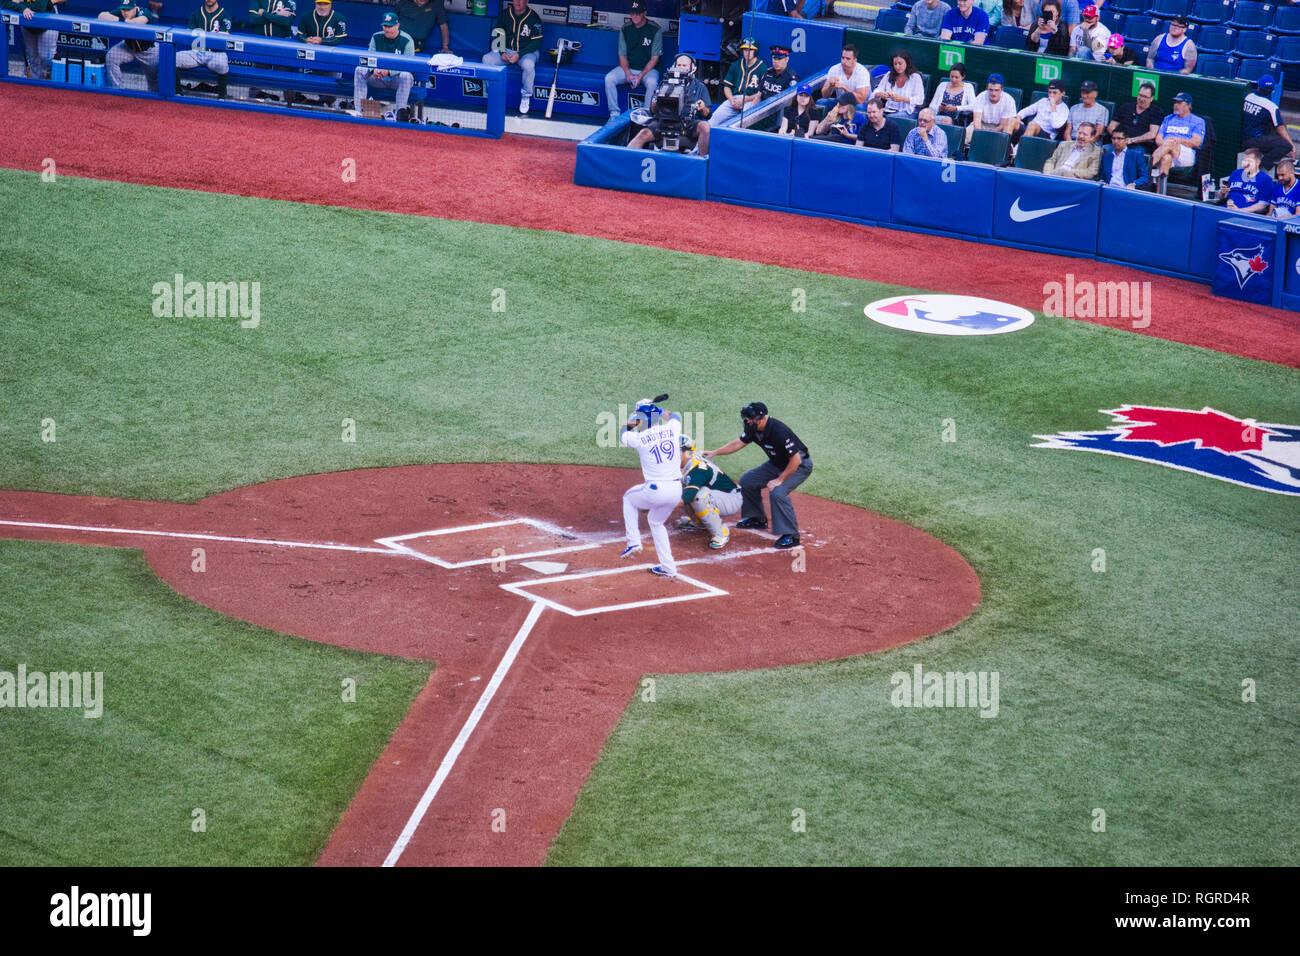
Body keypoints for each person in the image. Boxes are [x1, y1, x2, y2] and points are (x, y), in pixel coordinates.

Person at [703, 402, 812, 550]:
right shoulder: (752, 428)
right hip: (777, 464)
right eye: (746, 418)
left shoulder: (778, 431)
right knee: (747, 481)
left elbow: (796, 459)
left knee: (778, 493)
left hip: (798, 466)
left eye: (750, 418)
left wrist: (779, 480)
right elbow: (739, 443)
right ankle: (757, 518)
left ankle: (791, 535)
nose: (747, 421)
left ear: (761, 418)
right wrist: (715, 452)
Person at [618, 398, 683, 578]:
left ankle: (633, 542)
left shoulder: (638, 438)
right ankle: (668, 568)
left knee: (628, 499)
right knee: (656, 522)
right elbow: (675, 416)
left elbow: (623, 433)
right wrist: (657, 409)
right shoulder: (672, 429)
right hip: (676, 490)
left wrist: (633, 418)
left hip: (656, 490)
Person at [628, 53, 712, 156]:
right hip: (664, 122)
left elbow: (708, 114)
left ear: (692, 68)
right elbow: (652, 111)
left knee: (705, 126)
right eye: (679, 65)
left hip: (688, 124)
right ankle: (624, 161)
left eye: (684, 66)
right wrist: (654, 105)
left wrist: (703, 108)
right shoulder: (664, 83)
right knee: (643, 134)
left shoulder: (700, 87)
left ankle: (702, 163)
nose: (681, 68)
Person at [675, 434, 743, 550]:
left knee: (698, 497)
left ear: (685, 452)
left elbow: (688, 496)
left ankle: (721, 533)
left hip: (731, 499)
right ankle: (700, 523)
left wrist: (660, 506)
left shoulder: (698, 469)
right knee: (677, 490)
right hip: (716, 495)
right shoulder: (687, 462)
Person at [482, 0, 543, 115]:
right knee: (487, 59)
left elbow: (536, 43)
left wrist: (519, 54)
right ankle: (492, 94)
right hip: (507, 50)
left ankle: (525, 97)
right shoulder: (504, 14)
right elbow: (498, 35)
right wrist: (502, 52)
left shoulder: (534, 17)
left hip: (526, 52)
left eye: (521, 0)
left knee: (529, 65)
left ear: (527, 1)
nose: (518, 2)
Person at [350, 12, 414, 120]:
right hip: (378, 78)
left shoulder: (407, 40)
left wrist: (389, 72)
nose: (387, 29)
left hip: (396, 81)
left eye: (390, 26)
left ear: (397, 25)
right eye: (385, 26)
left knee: (406, 75)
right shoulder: (376, 37)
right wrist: (374, 70)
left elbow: (408, 65)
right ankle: (359, 112)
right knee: (360, 69)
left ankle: (399, 114)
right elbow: (369, 58)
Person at [604, 0, 661, 121]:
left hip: (649, 70)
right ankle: (614, 115)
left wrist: (640, 76)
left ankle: (646, 116)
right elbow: (622, 55)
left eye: (638, 13)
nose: (634, 16)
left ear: (644, 13)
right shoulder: (625, 28)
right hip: (629, 68)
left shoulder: (655, 29)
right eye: (633, 13)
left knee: (652, 83)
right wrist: (628, 73)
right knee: (609, 78)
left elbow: (654, 58)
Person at [175, 0, 232, 98]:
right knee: (173, 59)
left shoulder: (224, 15)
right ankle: (178, 93)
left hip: (215, 54)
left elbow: (226, 35)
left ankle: (222, 97)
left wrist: (216, 33)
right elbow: (189, 33)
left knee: (223, 64)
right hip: (196, 53)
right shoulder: (196, 13)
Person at [1151, 92, 1204, 193]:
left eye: (1179, 102)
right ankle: (1160, 194)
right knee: (1166, 158)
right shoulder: (1168, 118)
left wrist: (1178, 140)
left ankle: (1146, 169)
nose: (1175, 105)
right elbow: (1158, 139)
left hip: (1186, 154)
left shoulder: (1198, 121)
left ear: (1188, 105)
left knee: (1171, 141)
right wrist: (1167, 146)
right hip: (1166, 151)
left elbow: (1197, 142)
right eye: (1175, 102)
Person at [99, 0, 158, 91]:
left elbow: (138, 22)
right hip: (128, 48)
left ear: (135, 8)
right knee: (112, 56)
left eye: (128, 10)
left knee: (154, 82)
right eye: (123, 9)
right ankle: (117, 90)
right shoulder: (122, 14)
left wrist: (124, 21)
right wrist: (122, 20)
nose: (125, 12)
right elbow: (101, 16)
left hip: (148, 51)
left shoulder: (144, 11)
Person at [1242, 75, 1296, 171]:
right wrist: (1292, 145)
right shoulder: (1271, 106)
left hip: (1243, 137)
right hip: (1253, 141)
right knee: (1285, 145)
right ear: (1271, 91)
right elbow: (1280, 128)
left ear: (1258, 87)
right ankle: (1262, 166)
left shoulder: (1248, 97)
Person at [245, 0, 296, 100]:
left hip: (282, 45)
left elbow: (286, 21)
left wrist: (264, 13)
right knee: (257, 73)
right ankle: (254, 98)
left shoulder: (289, 1)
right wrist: (276, 14)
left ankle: (290, 101)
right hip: (262, 43)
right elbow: (253, 20)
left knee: (286, 76)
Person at [711, 36, 766, 126]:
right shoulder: (736, 65)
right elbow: (727, 87)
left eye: (750, 50)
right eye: (745, 50)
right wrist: (731, 99)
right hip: (735, 98)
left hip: (750, 100)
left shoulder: (762, 67)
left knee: (743, 122)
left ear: (755, 51)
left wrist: (745, 100)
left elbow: (761, 93)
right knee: (714, 118)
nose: (747, 53)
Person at [5, 0, 62, 81]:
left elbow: (39, 7)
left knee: (46, 57)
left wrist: (20, 3)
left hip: (47, 22)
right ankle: (35, 85)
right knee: (33, 58)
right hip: (28, 25)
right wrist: (22, 7)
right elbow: (4, 3)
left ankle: (50, 84)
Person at [1108, 81, 1161, 156]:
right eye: (1140, 95)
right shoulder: (1126, 107)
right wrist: (1118, 138)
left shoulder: (1156, 111)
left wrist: (1132, 140)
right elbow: (1111, 126)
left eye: (1145, 97)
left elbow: (1152, 134)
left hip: (1139, 146)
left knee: (1132, 155)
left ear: (1151, 98)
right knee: (1104, 149)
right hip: (1119, 143)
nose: (1141, 99)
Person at [966, 73, 1018, 145]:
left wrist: (988, 136)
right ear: (987, 88)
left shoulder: (1009, 100)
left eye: (996, 90)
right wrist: (982, 135)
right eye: (991, 90)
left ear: (1002, 89)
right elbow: (977, 123)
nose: (993, 93)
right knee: (965, 134)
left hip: (999, 127)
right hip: (982, 125)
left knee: (1003, 134)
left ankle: (1003, 150)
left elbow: (1002, 125)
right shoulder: (981, 97)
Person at [818, 44, 871, 112]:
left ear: (855, 60)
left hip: (860, 104)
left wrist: (844, 87)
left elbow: (860, 100)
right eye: (843, 58)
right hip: (841, 101)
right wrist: (830, 86)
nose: (844, 61)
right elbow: (824, 95)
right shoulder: (834, 69)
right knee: (821, 102)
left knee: (858, 108)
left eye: (848, 59)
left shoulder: (862, 72)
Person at [1219, 148, 1273, 214]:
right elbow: (1222, 198)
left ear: (1258, 162)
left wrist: (1240, 211)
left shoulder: (1266, 180)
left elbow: (1262, 205)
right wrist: (1222, 192)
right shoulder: (1236, 173)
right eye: (1244, 160)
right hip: (1226, 209)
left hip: (1246, 215)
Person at [873, 50, 925, 117]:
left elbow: (920, 99)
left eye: (900, 64)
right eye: (895, 64)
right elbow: (876, 91)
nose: (897, 67)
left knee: (891, 118)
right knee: (874, 115)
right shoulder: (889, 74)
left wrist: (903, 99)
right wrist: (880, 94)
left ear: (907, 63)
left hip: (907, 112)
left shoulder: (915, 77)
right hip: (888, 109)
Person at [1015, 78, 1069, 143]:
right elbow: (1027, 110)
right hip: (1030, 129)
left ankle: (1019, 149)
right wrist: (1018, 117)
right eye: (1050, 92)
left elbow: (1055, 125)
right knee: (1012, 121)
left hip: (1047, 136)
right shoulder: (1043, 101)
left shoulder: (1064, 109)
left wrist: (1053, 107)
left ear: (1062, 93)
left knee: (1032, 125)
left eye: (1055, 93)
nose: (1051, 95)